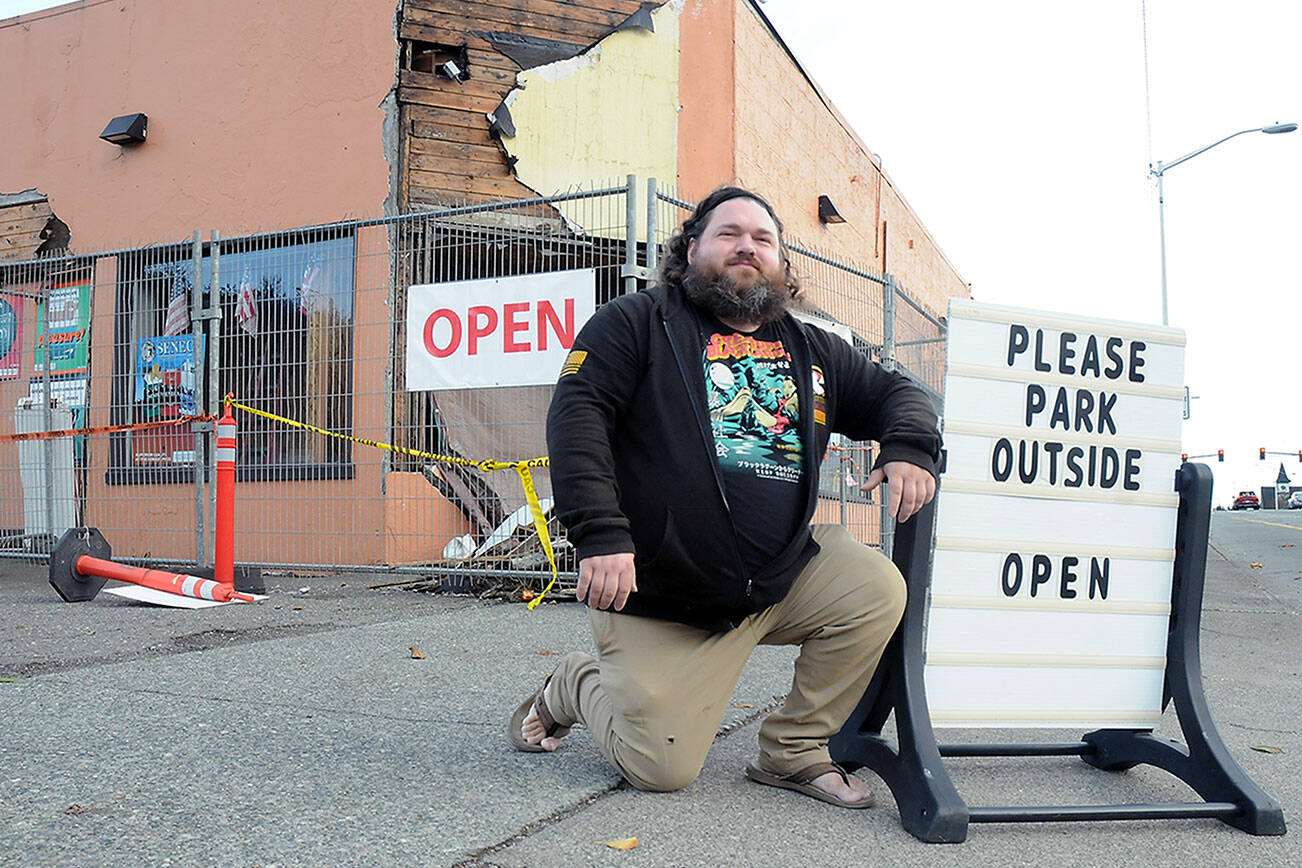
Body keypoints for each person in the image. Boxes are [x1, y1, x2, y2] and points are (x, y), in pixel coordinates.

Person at [509, 186, 940, 808]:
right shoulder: (635, 323)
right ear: (690, 251)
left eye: (763, 238)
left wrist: (908, 446)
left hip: (781, 575)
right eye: (729, 233)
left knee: (876, 589)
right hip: (663, 594)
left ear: (782, 264)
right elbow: (579, 418)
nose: (748, 246)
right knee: (660, 768)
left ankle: (793, 751)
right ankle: (576, 683)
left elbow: (899, 393)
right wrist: (600, 533)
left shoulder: (812, 348)